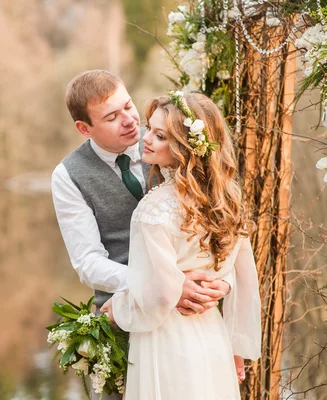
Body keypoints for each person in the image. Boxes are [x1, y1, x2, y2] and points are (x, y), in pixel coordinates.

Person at [51, 70, 233, 400]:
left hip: (190, 318)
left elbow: (218, 217)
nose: (130, 121)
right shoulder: (68, 176)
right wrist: (161, 286)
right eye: (111, 116)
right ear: (84, 128)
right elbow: (88, 262)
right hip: (124, 317)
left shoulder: (169, 141)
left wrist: (224, 279)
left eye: (128, 105)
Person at [100, 91, 261, 399]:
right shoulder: (227, 200)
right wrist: (237, 345)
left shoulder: (153, 210)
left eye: (159, 135)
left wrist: (113, 309)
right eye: (149, 128)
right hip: (212, 337)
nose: (145, 138)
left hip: (165, 341)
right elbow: (244, 278)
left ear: (184, 147)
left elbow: (158, 295)